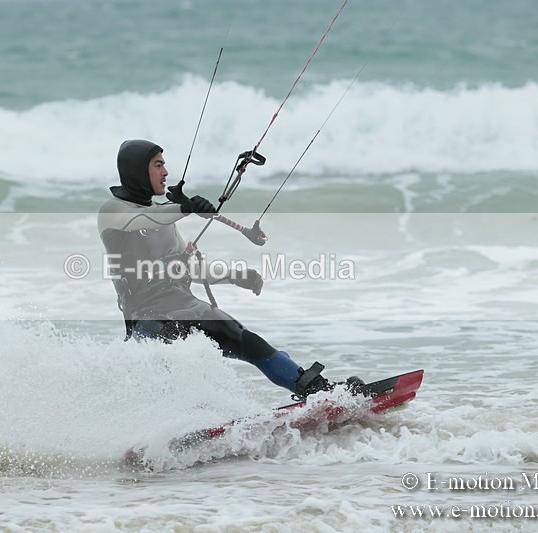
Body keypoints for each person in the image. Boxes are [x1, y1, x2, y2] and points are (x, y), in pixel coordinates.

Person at [98, 139, 350, 399]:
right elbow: (142, 219)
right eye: (158, 165)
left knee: (246, 339)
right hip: (147, 319)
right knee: (177, 355)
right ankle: (184, 420)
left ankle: (316, 391)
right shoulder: (113, 211)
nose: (166, 172)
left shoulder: (165, 216)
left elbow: (195, 270)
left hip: (186, 305)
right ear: (137, 170)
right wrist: (185, 207)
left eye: (164, 164)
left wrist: (236, 275)